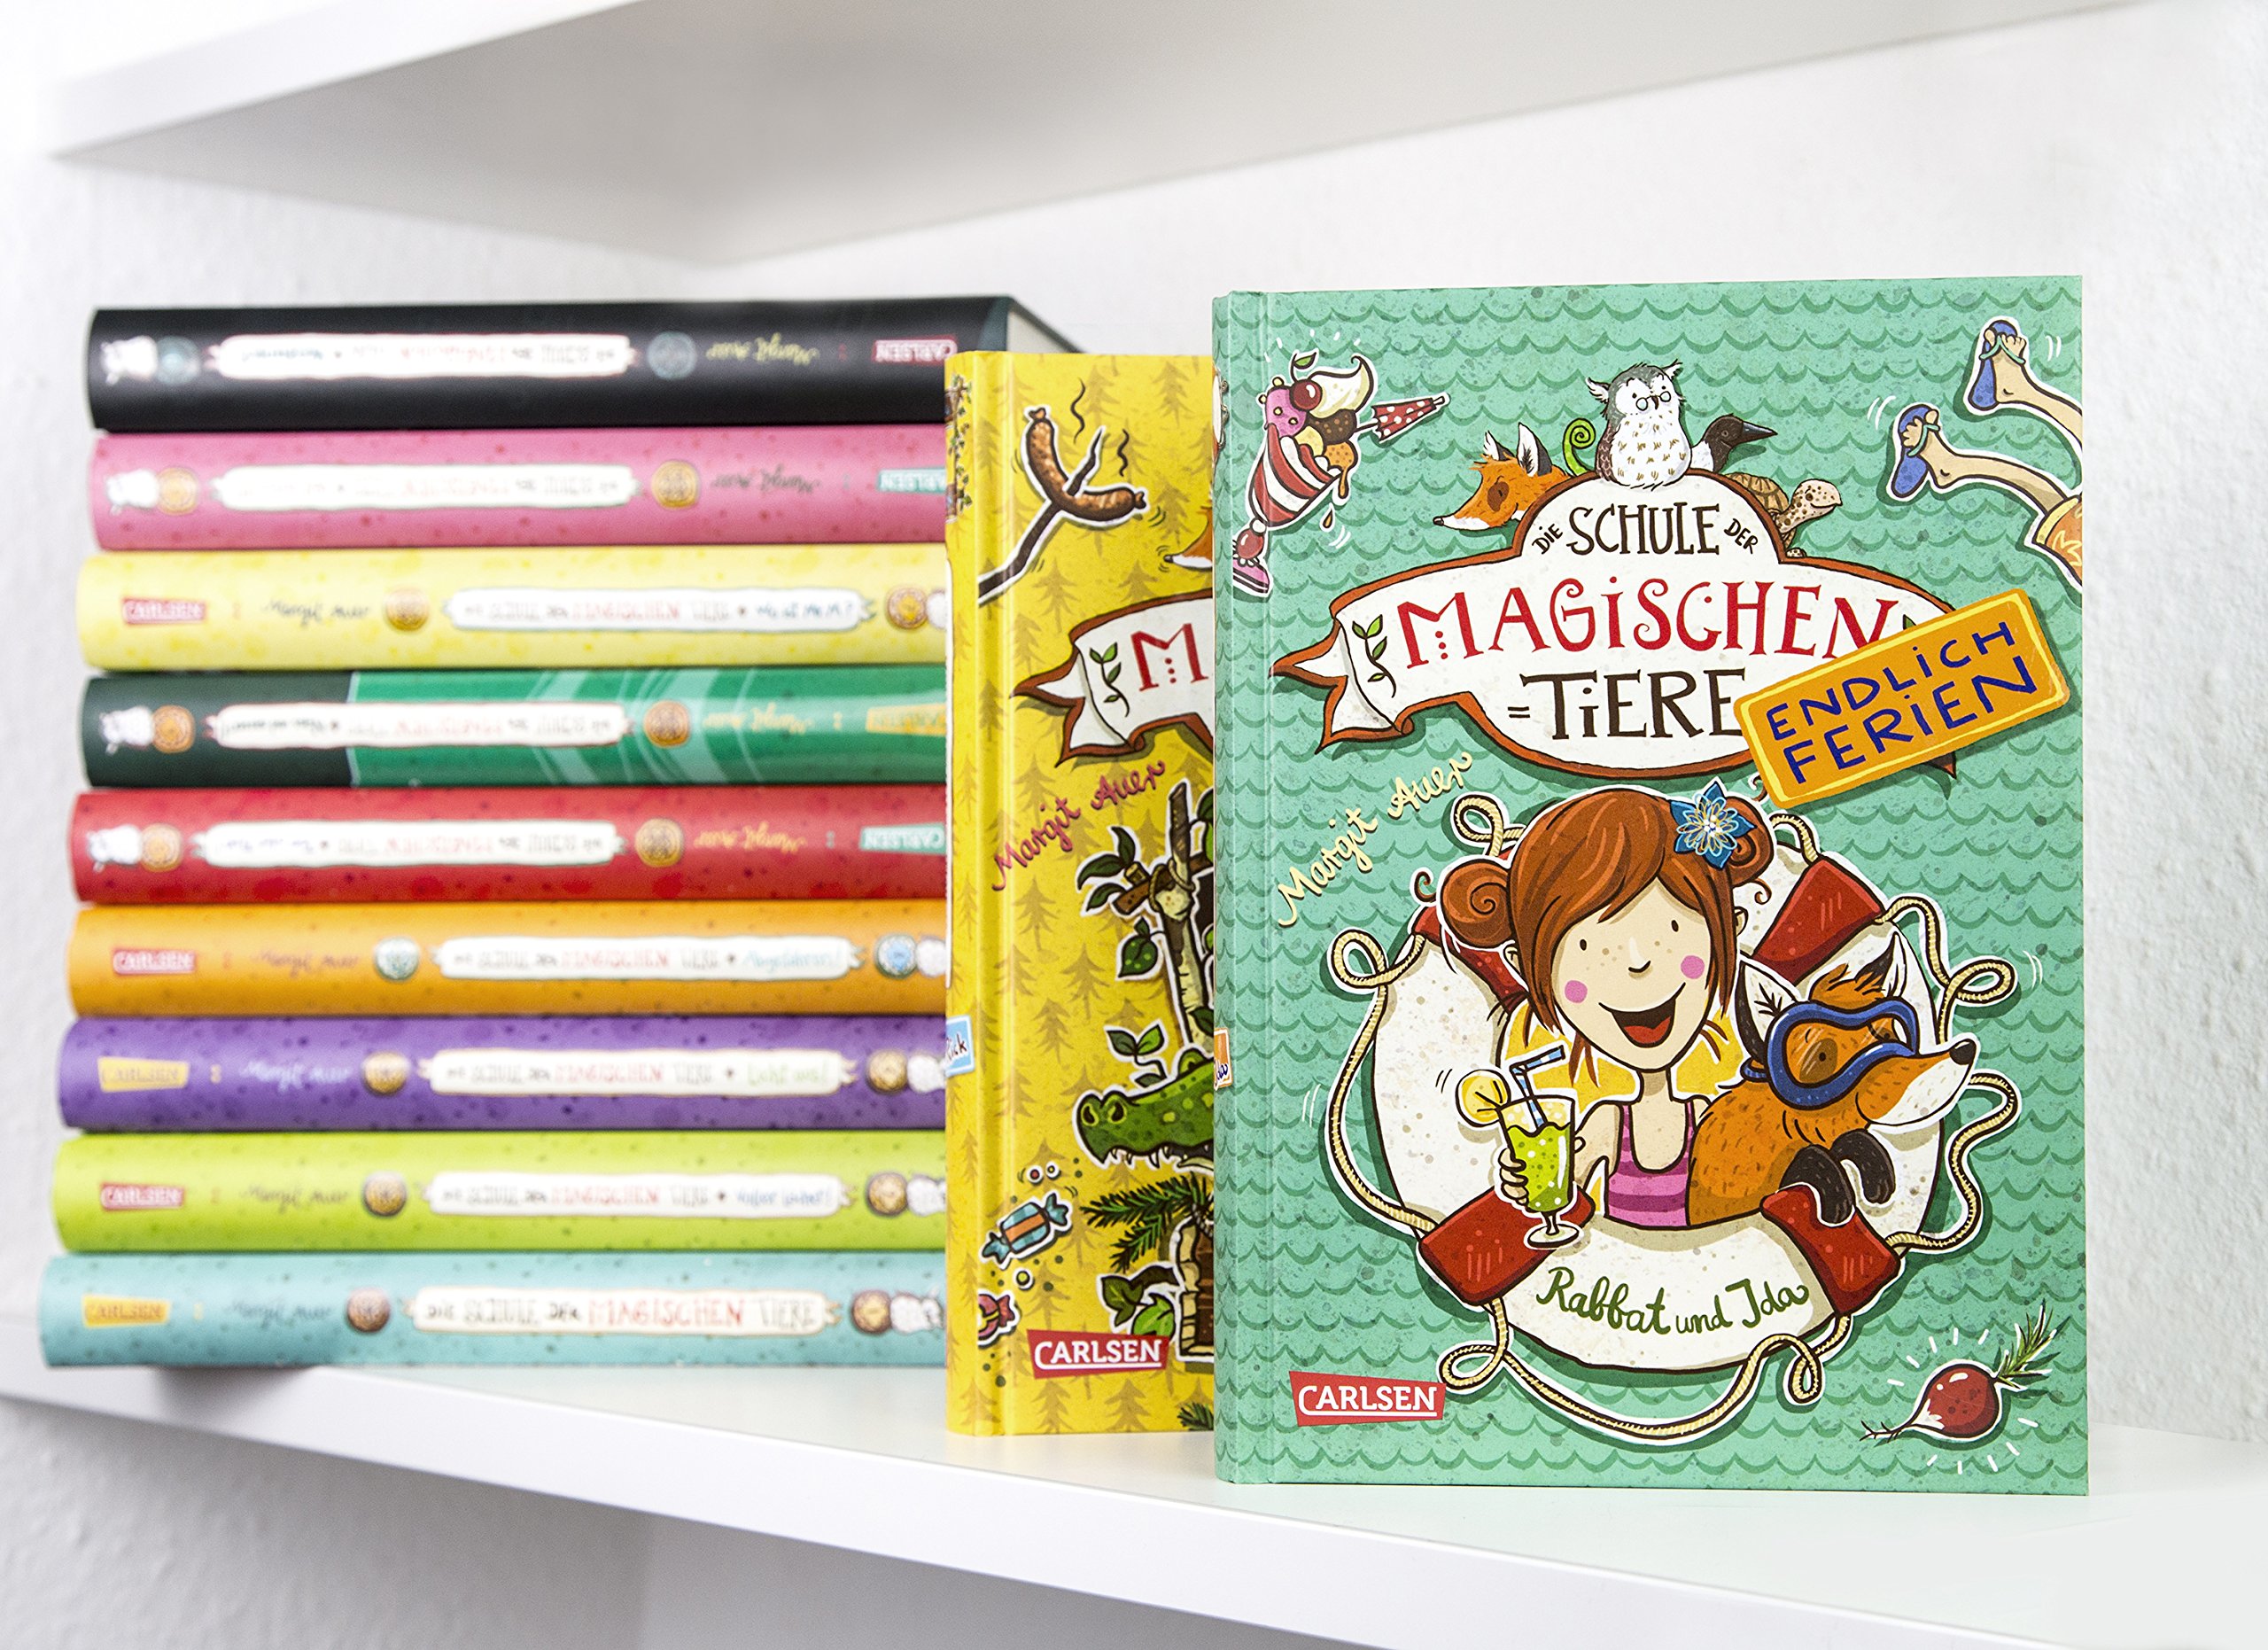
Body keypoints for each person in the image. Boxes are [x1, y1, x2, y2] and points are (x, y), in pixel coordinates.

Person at [1437, 782, 1772, 1229]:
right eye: (1589, 948)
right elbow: (1560, 1182)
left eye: (1670, 930)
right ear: (1526, 967)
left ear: (1727, 929)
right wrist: (1527, 1182)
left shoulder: (1719, 1115)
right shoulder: (1608, 1125)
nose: (1638, 963)